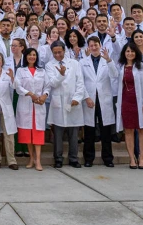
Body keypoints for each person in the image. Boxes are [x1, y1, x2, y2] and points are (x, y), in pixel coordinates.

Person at [45, 40, 85, 168]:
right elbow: (52, 83)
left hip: (73, 102)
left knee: (74, 133)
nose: (57, 55)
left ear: (64, 51)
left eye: (60, 52)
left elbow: (80, 82)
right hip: (58, 102)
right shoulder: (49, 65)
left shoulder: (74, 63)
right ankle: (58, 158)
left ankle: (73, 158)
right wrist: (61, 75)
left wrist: (77, 98)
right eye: (55, 53)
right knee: (58, 133)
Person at [80, 37, 118, 167]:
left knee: (105, 130)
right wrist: (86, 97)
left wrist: (109, 60)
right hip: (90, 100)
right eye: (91, 45)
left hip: (104, 100)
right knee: (89, 130)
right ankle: (88, 158)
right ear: (88, 47)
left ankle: (108, 158)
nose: (94, 47)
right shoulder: (83, 62)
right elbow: (80, 82)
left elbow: (115, 75)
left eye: (96, 45)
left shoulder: (106, 60)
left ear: (100, 45)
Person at [115, 43, 143, 169]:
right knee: (128, 130)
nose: (130, 53)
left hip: (140, 102)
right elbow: (113, 75)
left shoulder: (142, 67)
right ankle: (132, 159)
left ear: (136, 53)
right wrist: (108, 59)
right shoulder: (121, 67)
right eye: (127, 51)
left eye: (132, 51)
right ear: (124, 53)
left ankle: (142, 158)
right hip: (126, 102)